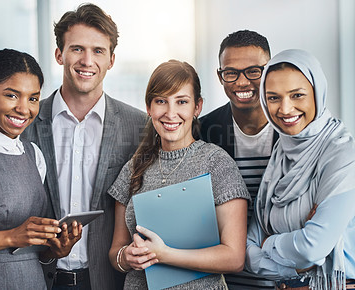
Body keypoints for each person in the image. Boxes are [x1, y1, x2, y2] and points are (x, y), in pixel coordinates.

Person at [22, 3, 147, 290]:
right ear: (59, 54)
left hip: (106, 279)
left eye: (98, 51)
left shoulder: (138, 127)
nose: (86, 60)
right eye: (77, 48)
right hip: (37, 277)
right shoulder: (25, 123)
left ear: (111, 60)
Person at [108, 60, 251, 289]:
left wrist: (164, 255)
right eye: (161, 101)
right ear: (149, 108)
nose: (170, 113)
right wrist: (126, 257)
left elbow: (234, 258)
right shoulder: (133, 168)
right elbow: (116, 251)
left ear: (197, 107)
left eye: (181, 101)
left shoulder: (217, 163)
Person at [0, 48, 81, 289]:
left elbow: (36, 250)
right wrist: (11, 236)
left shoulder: (34, 154)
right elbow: (17, 237)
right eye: (12, 96)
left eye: (33, 98)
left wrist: (55, 249)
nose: (25, 109)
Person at [245, 49, 355, 290]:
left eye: (297, 95)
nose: (285, 109)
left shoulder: (342, 153)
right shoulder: (281, 152)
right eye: (273, 98)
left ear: (317, 93)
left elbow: (312, 248)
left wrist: (268, 244)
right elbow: (247, 253)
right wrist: (296, 262)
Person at [199, 29, 278, 289]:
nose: (242, 82)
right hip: (222, 280)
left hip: (284, 277)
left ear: (270, 70)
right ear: (220, 76)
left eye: (253, 71)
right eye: (231, 73)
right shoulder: (202, 131)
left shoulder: (295, 129)